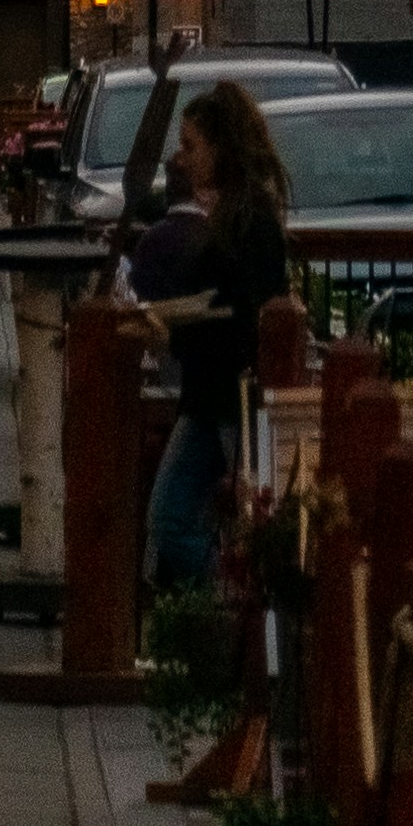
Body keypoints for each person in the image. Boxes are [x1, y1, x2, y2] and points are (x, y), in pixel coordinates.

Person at [142, 82, 295, 589]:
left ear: (221, 148)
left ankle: (233, 601)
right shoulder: (234, 214)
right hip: (208, 397)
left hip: (230, 397)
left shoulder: (250, 219)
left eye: (191, 145)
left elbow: (246, 317)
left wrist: (174, 334)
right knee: (170, 517)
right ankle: (226, 605)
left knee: (206, 518)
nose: (182, 159)